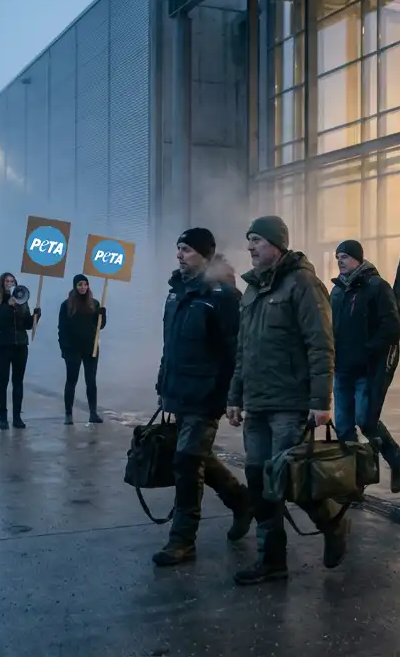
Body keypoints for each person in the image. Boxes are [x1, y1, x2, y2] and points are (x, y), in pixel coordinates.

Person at [227, 216, 346, 585]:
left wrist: (320, 401)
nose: (250, 247)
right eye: (248, 241)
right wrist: (234, 395)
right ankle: (271, 560)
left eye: (257, 241)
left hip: (291, 404)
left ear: (277, 245)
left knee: (289, 480)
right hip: (257, 404)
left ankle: (332, 523)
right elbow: (242, 349)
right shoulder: (251, 291)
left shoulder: (303, 284)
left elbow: (320, 345)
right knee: (259, 480)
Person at [151, 228, 253, 567]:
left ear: (205, 256)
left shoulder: (222, 296)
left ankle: (182, 541)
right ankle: (240, 500)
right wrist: (163, 381)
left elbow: (235, 351)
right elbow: (172, 345)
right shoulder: (177, 293)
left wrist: (232, 395)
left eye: (187, 250)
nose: (180, 255)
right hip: (179, 390)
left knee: (186, 461)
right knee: (195, 456)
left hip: (207, 393)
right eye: (178, 248)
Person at [330, 239, 400, 493]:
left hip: (367, 369)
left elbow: (391, 326)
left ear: (357, 258)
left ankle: (397, 460)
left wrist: (368, 351)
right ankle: (355, 481)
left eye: (344, 256)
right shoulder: (337, 291)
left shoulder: (377, 287)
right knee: (343, 427)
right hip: (341, 368)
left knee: (366, 420)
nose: (340, 261)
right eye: (337, 257)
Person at [0, 272, 38, 430]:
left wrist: (36, 316)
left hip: (20, 346)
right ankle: (3, 417)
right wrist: (8, 306)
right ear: (2, 284)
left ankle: (17, 417)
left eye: (12, 281)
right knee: (3, 382)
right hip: (3, 346)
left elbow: (28, 325)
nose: (10, 283)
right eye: (7, 281)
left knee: (18, 382)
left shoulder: (22, 301)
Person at [58, 274, 106, 425]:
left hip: (90, 348)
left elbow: (100, 326)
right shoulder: (67, 305)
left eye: (85, 284)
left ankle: (93, 412)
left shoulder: (94, 303)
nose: (83, 287)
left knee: (91, 381)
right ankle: (68, 414)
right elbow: (62, 328)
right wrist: (64, 348)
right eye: (80, 285)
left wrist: (102, 315)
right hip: (72, 349)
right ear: (75, 286)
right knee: (71, 380)